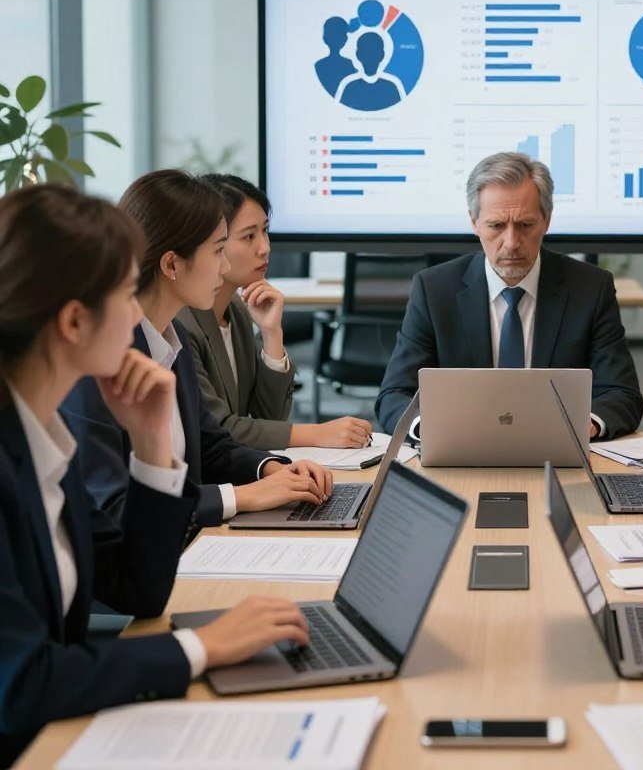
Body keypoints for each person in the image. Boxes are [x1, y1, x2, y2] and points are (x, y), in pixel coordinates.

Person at [0, 184, 310, 766]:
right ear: (72, 321)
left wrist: (150, 447)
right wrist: (200, 645)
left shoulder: (41, 444)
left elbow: (138, 588)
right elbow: (20, 684)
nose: (136, 307)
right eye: (123, 291)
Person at [62, 170, 333, 528]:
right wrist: (242, 496)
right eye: (219, 250)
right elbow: (113, 505)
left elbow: (212, 446)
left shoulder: (172, 337)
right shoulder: (102, 362)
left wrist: (275, 469)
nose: (225, 266)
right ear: (172, 264)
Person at [375, 151, 643, 439]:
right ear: (474, 222)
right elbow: (394, 395)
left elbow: (622, 394)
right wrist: (429, 429)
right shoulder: (434, 290)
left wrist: (585, 424)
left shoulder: (590, 288)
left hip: (557, 452)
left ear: (547, 220)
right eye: (496, 225)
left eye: (525, 225)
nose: (512, 242)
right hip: (461, 451)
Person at [175, 173, 373, 451]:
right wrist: (315, 434)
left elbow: (269, 419)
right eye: (248, 236)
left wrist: (271, 335)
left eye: (265, 231)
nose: (265, 248)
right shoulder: (180, 323)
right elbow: (218, 429)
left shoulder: (238, 311)